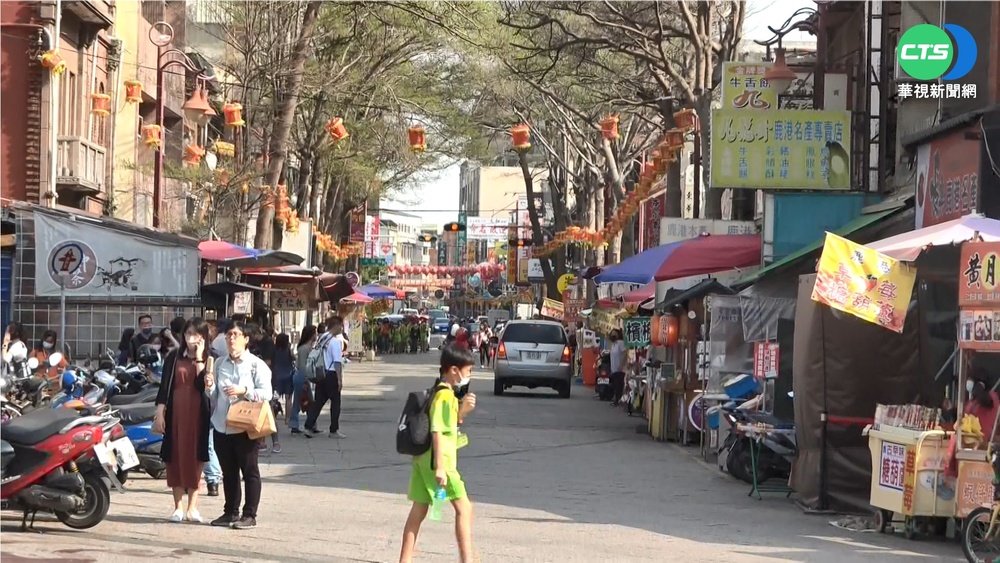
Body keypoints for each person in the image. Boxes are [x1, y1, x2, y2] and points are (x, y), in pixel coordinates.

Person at [399, 345, 478, 563]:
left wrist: (462, 412)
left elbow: (447, 423)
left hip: (423, 459)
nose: (469, 376)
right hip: (439, 461)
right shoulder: (446, 396)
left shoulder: (438, 391)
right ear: (454, 370)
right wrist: (441, 468)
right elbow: (438, 430)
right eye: (468, 371)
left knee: (418, 512)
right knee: (465, 508)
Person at [205, 321, 272, 529]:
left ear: (246, 339)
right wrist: (209, 386)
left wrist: (244, 391)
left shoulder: (256, 365)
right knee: (229, 472)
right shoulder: (219, 363)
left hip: (245, 426)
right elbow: (213, 395)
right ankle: (230, 512)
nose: (231, 339)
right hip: (222, 424)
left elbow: (267, 393)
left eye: (235, 335)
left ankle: (249, 514)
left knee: (249, 470)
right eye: (228, 335)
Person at [153, 318, 214, 523]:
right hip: (176, 411)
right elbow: (164, 386)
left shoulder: (209, 358)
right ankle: (178, 507)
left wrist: (199, 358)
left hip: (198, 412)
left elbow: (202, 386)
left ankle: (193, 507)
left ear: (203, 337)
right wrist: (160, 412)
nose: (191, 338)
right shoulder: (173, 357)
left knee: (196, 457)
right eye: (188, 333)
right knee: (175, 456)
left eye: (196, 334)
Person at [946, 369, 1000, 478]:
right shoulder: (972, 401)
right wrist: (952, 410)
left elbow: (987, 402)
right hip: (967, 443)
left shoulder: (992, 397)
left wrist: (979, 388)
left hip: (983, 445)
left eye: (971, 380)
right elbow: (965, 417)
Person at [304, 316, 346, 438]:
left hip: (320, 373)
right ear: (336, 326)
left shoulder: (322, 338)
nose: (341, 329)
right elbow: (337, 362)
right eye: (341, 326)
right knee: (335, 403)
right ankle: (333, 430)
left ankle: (308, 426)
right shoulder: (335, 342)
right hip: (331, 374)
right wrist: (339, 379)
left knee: (318, 402)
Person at [269, 333, 295, 451]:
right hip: (288, 375)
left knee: (275, 398)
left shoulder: (274, 351)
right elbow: (293, 359)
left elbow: (272, 362)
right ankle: (287, 418)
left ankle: (273, 415)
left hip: (276, 376)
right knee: (289, 398)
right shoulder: (288, 350)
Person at [291, 325, 317, 434]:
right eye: (315, 333)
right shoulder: (304, 349)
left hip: (304, 377)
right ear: (311, 335)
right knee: (301, 401)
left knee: (306, 401)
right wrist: (305, 380)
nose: (316, 335)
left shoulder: (308, 348)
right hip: (301, 377)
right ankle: (299, 425)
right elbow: (302, 366)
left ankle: (310, 424)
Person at [607, 329, 628, 406]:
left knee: (619, 385)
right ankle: (616, 400)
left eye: (615, 334)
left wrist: (621, 365)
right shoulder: (613, 344)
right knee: (616, 385)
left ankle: (618, 400)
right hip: (614, 368)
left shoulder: (620, 343)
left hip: (620, 368)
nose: (613, 335)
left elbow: (625, 353)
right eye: (612, 334)